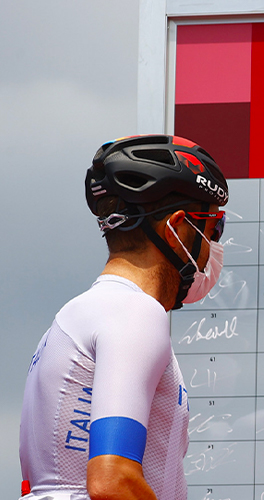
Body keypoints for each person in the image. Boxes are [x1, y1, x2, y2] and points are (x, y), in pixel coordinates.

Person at [19, 135, 229, 500]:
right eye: (214, 229)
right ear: (178, 228)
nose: (214, 248)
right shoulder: (135, 313)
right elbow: (112, 480)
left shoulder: (71, 319)